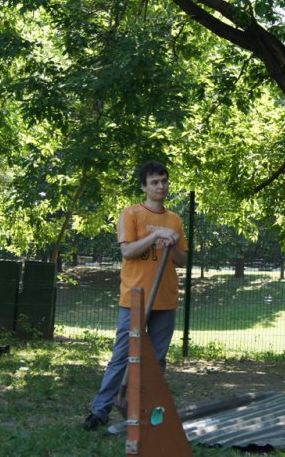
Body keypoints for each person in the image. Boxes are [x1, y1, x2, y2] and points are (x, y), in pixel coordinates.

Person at [83, 160, 188, 431]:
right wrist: (155, 238)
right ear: (144, 186)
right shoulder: (130, 214)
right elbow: (127, 252)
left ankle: (149, 413)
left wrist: (172, 243)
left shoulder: (174, 220)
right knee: (122, 356)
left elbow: (182, 260)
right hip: (135, 298)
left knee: (157, 360)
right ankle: (100, 411)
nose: (161, 186)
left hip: (164, 298)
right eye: (154, 182)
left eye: (164, 181)